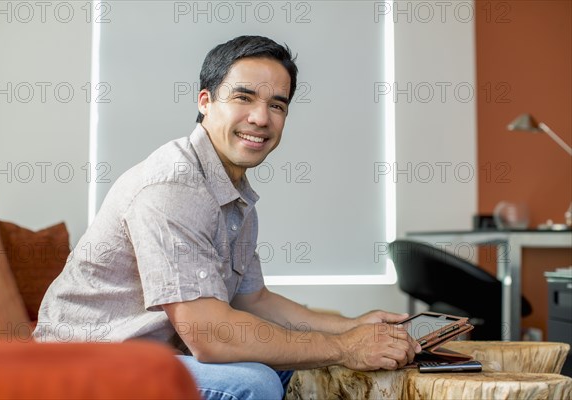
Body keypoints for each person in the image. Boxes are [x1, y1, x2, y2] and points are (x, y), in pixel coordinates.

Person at [34, 35, 421, 400]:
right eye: (244, 97)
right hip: (79, 364)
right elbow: (210, 334)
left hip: (147, 354)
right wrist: (343, 348)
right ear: (205, 101)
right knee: (251, 384)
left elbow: (253, 299)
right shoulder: (173, 187)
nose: (260, 118)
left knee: (285, 364)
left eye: (277, 105)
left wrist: (354, 327)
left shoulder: (231, 193)